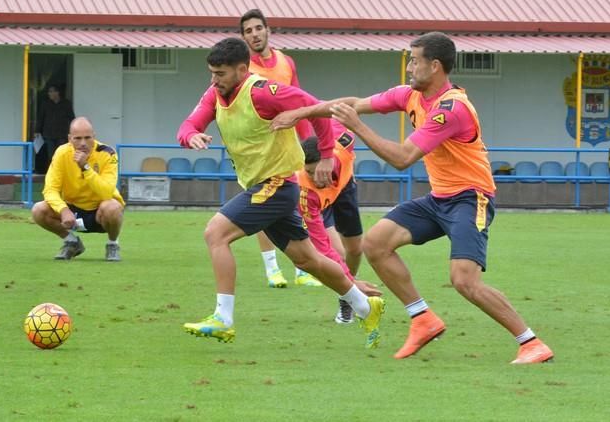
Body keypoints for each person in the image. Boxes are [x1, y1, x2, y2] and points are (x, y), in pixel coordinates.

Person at [270, 31, 554, 364]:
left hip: (470, 199)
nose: (408, 67)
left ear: (434, 66)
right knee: (374, 244)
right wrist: (302, 113)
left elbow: (403, 157)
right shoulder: (409, 95)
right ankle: (423, 319)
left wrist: (358, 127)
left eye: (414, 60)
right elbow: (351, 104)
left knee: (464, 281)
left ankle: (531, 342)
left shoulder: (452, 109)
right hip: (439, 199)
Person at [176, 37, 384, 347]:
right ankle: (366, 306)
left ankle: (223, 318)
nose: (213, 80)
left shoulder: (263, 92)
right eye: (211, 73)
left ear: (242, 69)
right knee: (307, 260)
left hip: (276, 184)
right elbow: (188, 125)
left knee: (215, 233)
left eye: (220, 74)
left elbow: (318, 110)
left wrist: (326, 154)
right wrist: (191, 136)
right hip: (266, 187)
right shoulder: (215, 94)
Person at [240, 8, 320, 289]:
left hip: (288, 147)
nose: (254, 34)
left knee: (298, 205)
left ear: (267, 30)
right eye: (248, 31)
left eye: (258, 28)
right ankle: (272, 268)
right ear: (243, 37)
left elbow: (299, 103)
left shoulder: (286, 62)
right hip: (258, 151)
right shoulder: (242, 69)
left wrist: (308, 140)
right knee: (264, 207)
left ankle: (302, 269)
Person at [297, 121, 364, 324]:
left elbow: (343, 114)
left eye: (316, 171)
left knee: (355, 250)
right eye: (308, 172)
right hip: (319, 201)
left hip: (344, 189)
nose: (314, 177)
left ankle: (348, 293)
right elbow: (322, 247)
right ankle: (348, 298)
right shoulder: (306, 190)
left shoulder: (343, 144)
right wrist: (353, 283)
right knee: (338, 255)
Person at [31, 117, 124, 262]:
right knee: (38, 210)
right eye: (77, 138)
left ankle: (113, 244)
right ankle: (72, 242)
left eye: (87, 138)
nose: (83, 143)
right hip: (72, 210)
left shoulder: (107, 153)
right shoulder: (62, 153)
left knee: (112, 207)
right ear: (69, 138)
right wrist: (63, 210)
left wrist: (85, 167)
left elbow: (106, 192)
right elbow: (50, 189)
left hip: (99, 211)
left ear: (94, 137)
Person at [35, 84, 75, 170]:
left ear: (57, 92)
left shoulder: (66, 104)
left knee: (62, 154)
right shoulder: (45, 104)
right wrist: (37, 131)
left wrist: (74, 131)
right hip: (49, 134)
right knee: (51, 155)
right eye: (49, 92)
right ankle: (53, 172)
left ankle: (63, 172)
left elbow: (72, 117)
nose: (50, 94)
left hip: (62, 134)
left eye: (52, 91)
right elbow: (41, 118)